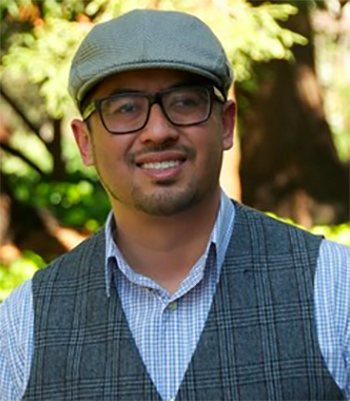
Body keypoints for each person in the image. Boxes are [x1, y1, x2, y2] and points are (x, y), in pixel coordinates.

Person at [0, 9, 349, 401]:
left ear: (227, 124)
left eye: (184, 101)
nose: (159, 131)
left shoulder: (336, 289)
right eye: (126, 108)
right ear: (84, 142)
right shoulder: (22, 325)